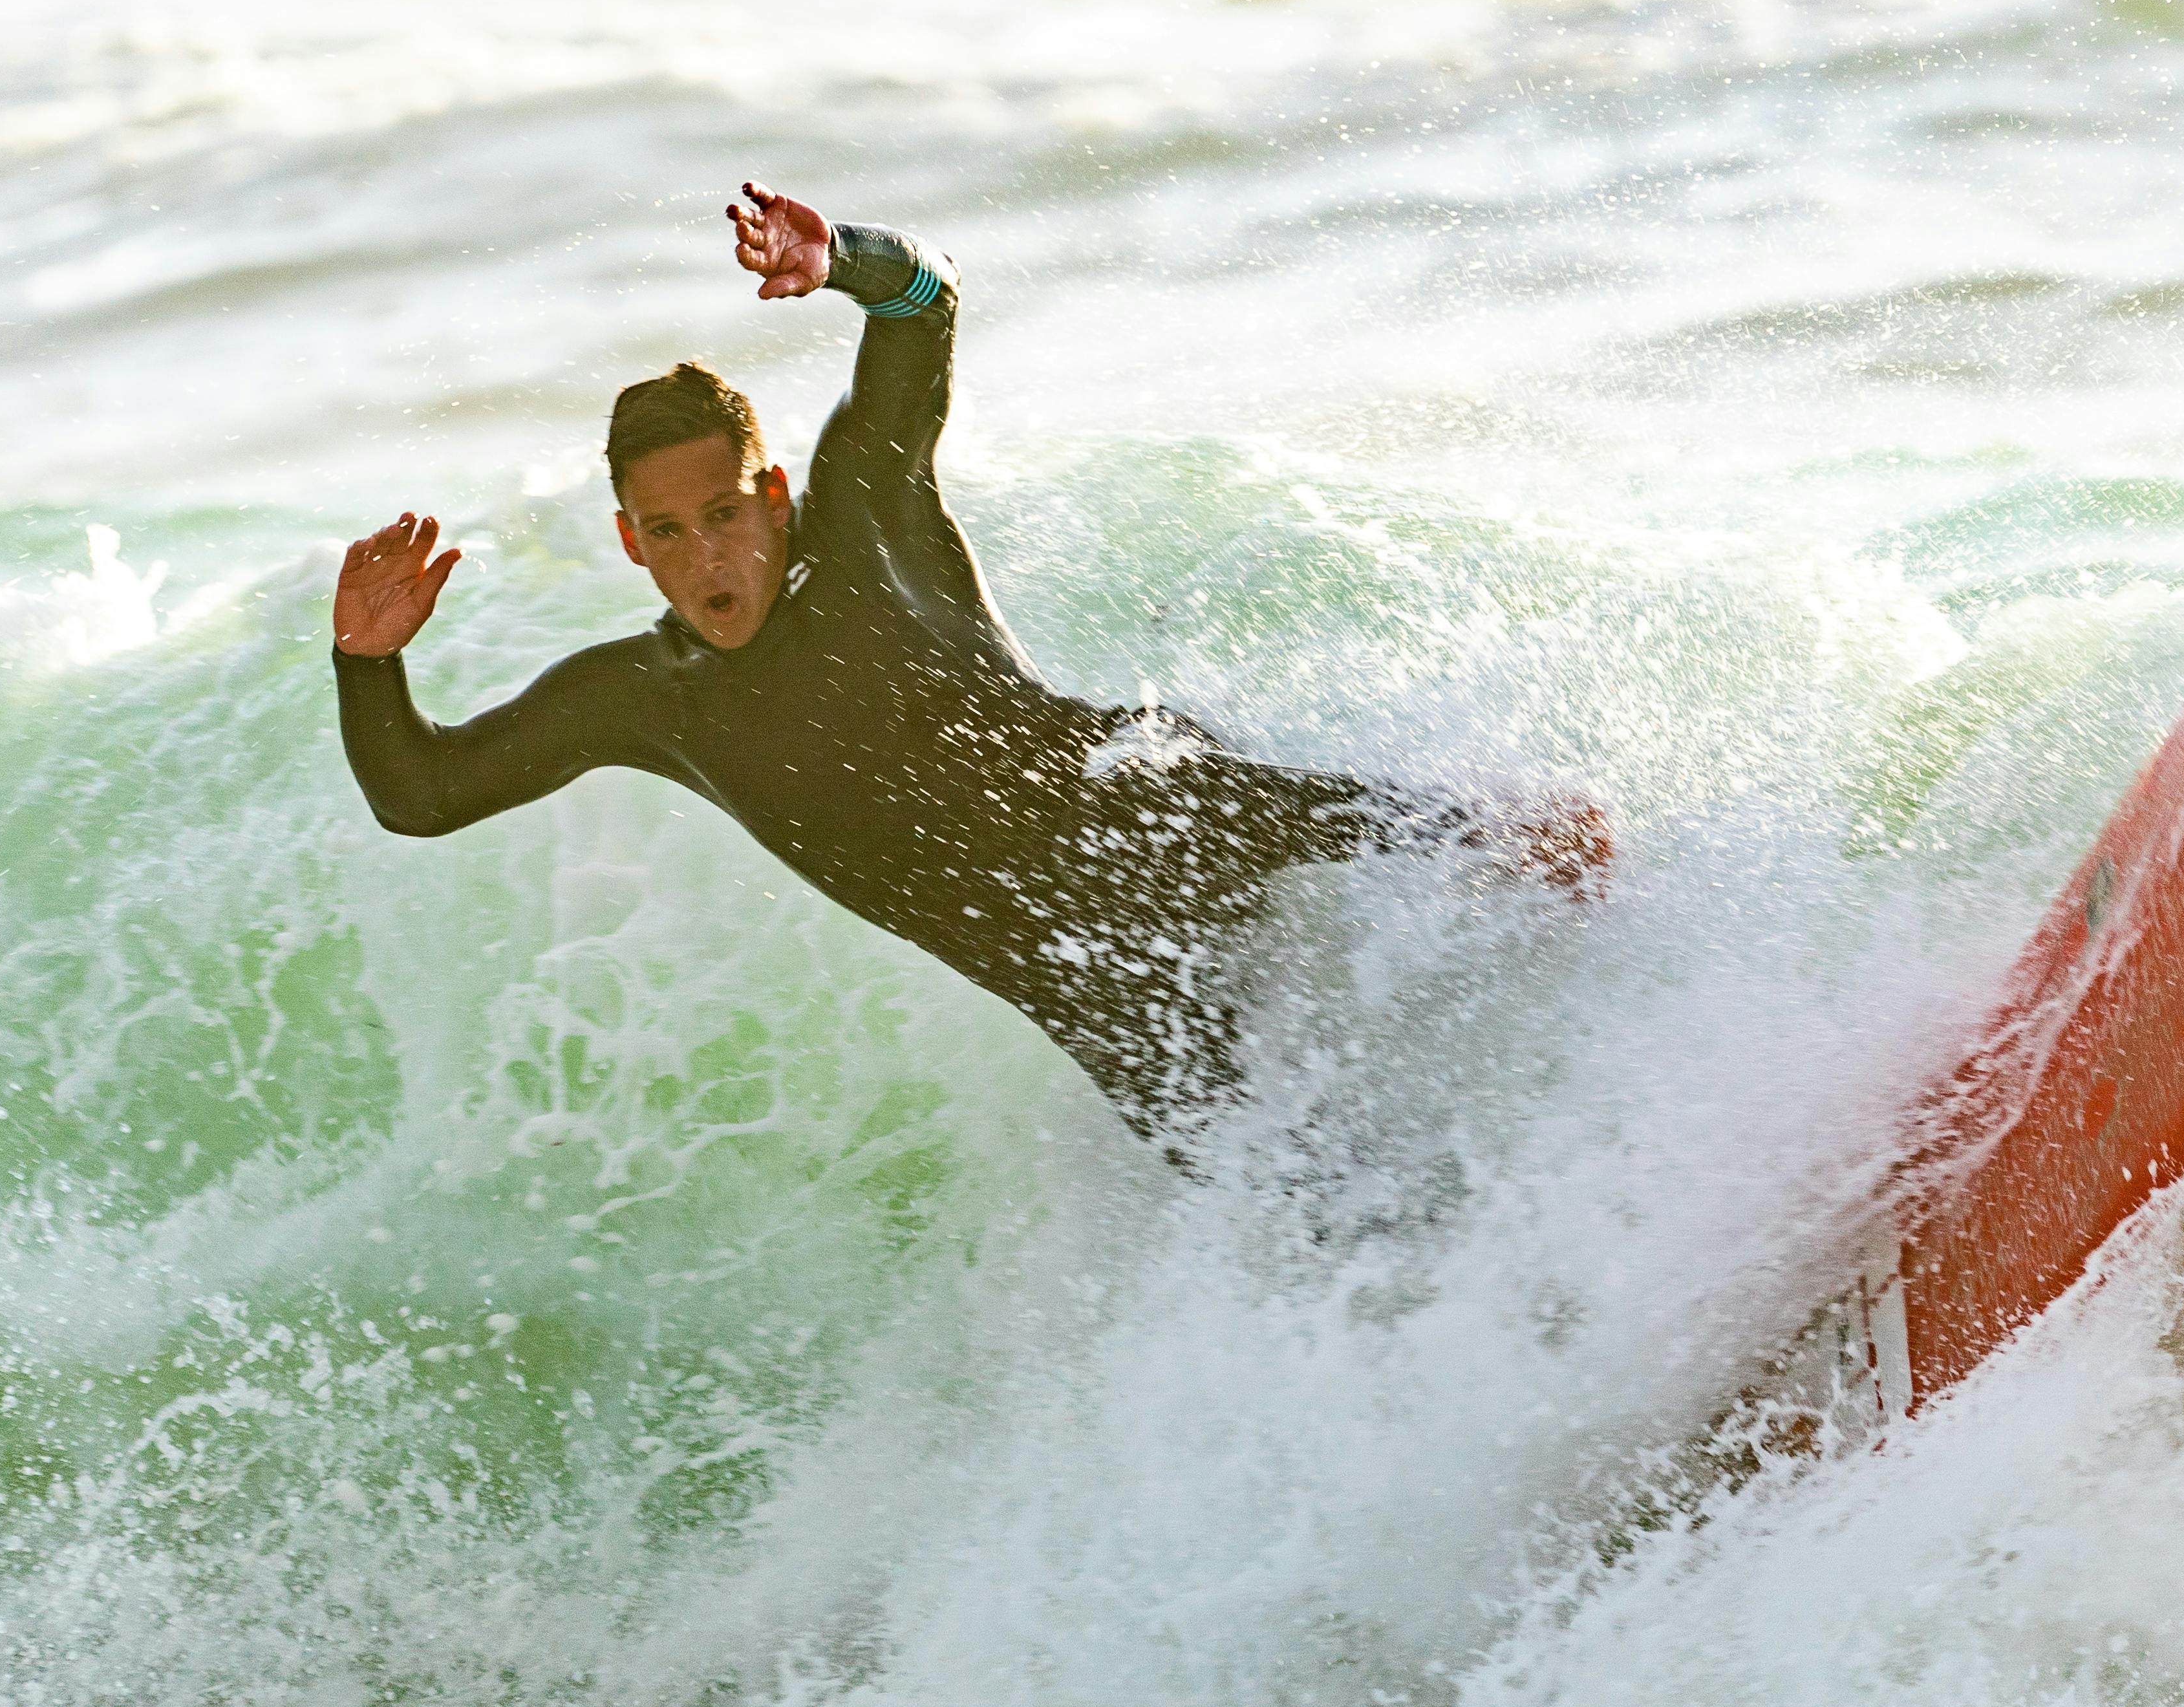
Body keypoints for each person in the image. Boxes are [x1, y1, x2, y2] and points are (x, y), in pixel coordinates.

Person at [329, 184, 1605, 1139]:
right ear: (630, 542)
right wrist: (364, 662)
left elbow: (923, 298)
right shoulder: (645, 697)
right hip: (1098, 991)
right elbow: (421, 795)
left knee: (1514, 851)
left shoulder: (864, 506)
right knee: (1318, 1198)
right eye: (668, 532)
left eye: (725, 512)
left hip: (1163, 816)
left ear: (770, 495)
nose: (708, 558)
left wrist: (840, 261)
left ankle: (1594, 920)